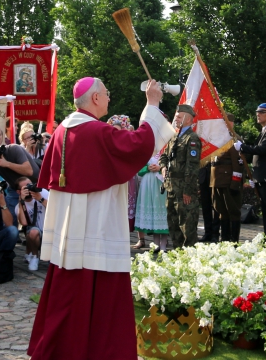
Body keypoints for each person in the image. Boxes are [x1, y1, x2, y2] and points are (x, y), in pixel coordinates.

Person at [28, 77, 170, 360]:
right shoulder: (95, 132)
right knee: (99, 293)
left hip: (71, 230)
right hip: (96, 224)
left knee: (68, 293)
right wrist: (152, 104)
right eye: (106, 93)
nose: (108, 97)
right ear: (94, 98)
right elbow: (139, 145)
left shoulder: (62, 130)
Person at [160, 103, 203, 250]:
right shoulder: (174, 136)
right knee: (173, 222)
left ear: (188, 119)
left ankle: (189, 257)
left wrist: (187, 191)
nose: (176, 119)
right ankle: (177, 253)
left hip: (183, 188)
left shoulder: (192, 139)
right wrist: (163, 167)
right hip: (171, 186)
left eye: (178, 117)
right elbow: (164, 156)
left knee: (187, 225)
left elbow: (192, 167)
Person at [238, 103, 266, 237]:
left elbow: (262, 150)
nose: (258, 114)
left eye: (262, 112)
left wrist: (243, 147)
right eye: (257, 111)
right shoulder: (265, 130)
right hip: (263, 177)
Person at [0, 138, 38, 220]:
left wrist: (6, 163)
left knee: (37, 216)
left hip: (35, 185)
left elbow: (29, 171)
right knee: (12, 218)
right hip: (15, 189)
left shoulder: (13, 149)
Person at [210, 138, 244, 243]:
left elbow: (238, 164)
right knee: (221, 211)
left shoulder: (233, 141)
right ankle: (225, 239)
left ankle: (234, 240)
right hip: (217, 182)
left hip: (229, 182)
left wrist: (235, 184)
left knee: (233, 211)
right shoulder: (214, 140)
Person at [132, 154, 169, 251]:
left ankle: (164, 244)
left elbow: (173, 166)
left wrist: (160, 168)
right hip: (147, 184)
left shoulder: (166, 149)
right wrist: (147, 168)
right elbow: (139, 171)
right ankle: (156, 244)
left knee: (162, 211)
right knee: (153, 213)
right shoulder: (147, 150)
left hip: (161, 184)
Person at [14, 176, 46, 271]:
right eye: (26, 187)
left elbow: (56, 211)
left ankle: (29, 253)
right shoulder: (18, 206)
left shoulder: (43, 193)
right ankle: (35, 256)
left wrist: (40, 199)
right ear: (19, 191)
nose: (29, 188)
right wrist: (21, 201)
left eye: (30, 185)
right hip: (36, 233)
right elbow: (23, 223)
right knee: (33, 232)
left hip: (50, 231)